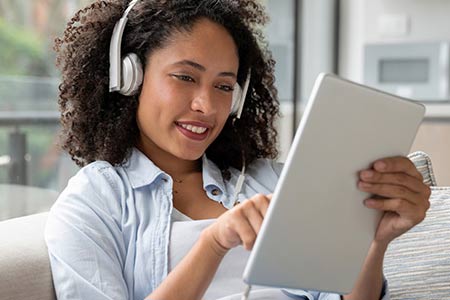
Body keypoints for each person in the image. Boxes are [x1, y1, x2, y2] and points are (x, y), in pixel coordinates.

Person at [44, 0, 431, 299]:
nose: (207, 106)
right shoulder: (92, 202)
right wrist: (213, 244)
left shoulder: (272, 181)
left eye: (224, 86)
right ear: (131, 77)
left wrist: (373, 241)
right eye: (185, 77)